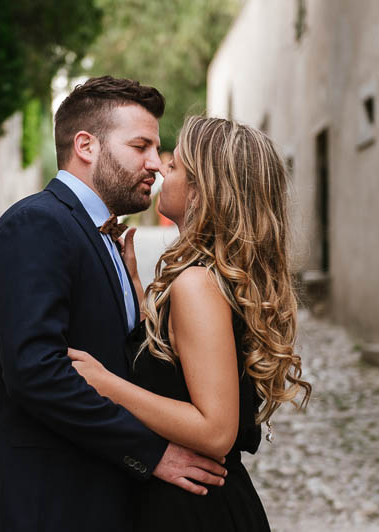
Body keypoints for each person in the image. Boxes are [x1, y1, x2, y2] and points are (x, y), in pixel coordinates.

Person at [0, 78, 227, 532]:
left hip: (94, 496)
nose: (155, 165)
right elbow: (36, 373)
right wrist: (150, 452)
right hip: (42, 502)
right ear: (86, 145)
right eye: (140, 146)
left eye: (156, 149)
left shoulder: (103, 236)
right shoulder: (37, 224)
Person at [67, 116, 312, 531]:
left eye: (175, 165)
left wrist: (108, 385)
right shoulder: (208, 276)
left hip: (195, 510)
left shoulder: (197, 283)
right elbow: (181, 369)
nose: (162, 168)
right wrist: (141, 298)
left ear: (202, 191)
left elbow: (216, 430)